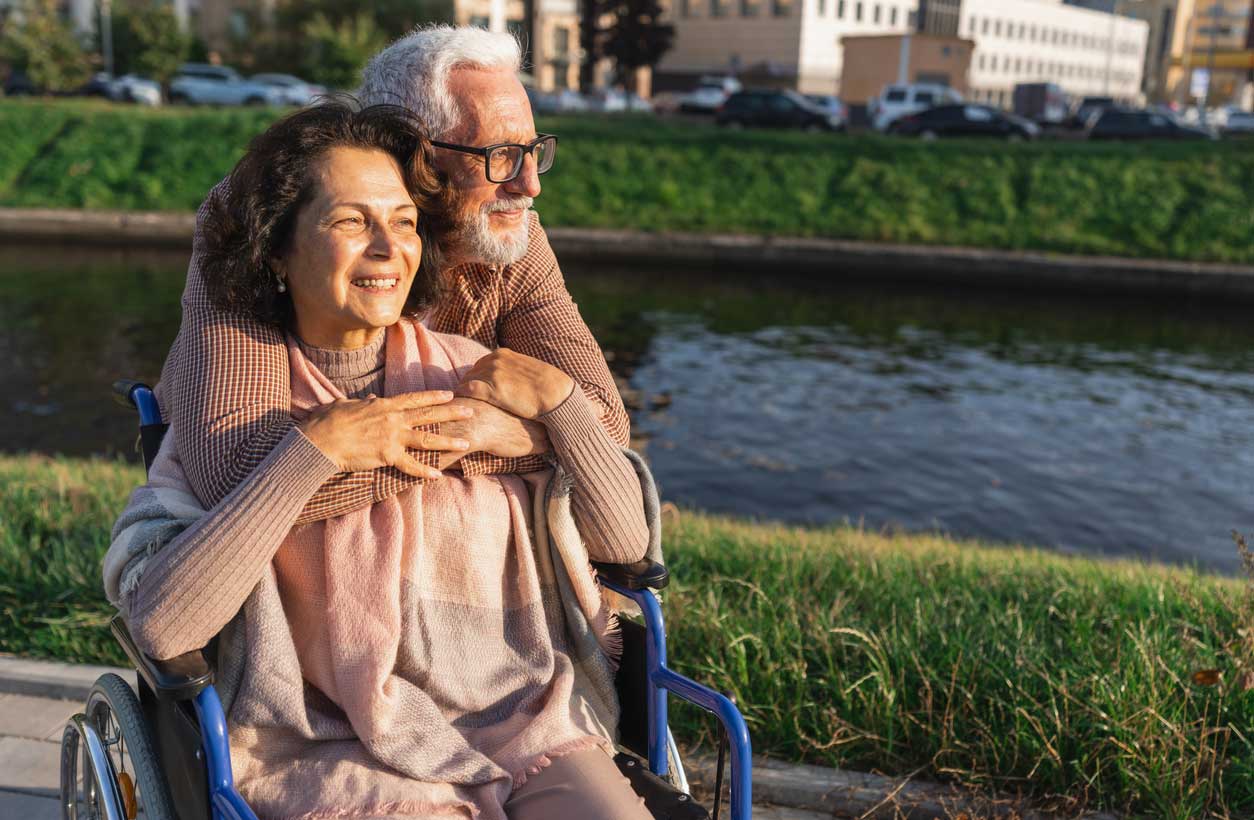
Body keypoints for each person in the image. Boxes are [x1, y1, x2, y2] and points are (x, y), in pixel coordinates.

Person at [105, 101, 654, 820]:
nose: (387, 248)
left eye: (402, 222)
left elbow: (628, 544)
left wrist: (560, 405)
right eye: (349, 222)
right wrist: (315, 452)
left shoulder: (478, 376)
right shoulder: (238, 427)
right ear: (276, 249)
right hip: (331, 748)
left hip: (522, 725)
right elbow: (165, 628)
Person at [159, 26, 631, 548]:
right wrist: (502, 434)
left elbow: (604, 427)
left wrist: (509, 433)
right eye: (500, 156)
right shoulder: (260, 217)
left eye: (532, 151)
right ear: (417, 155)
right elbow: (234, 471)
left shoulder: (510, 233)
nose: (529, 185)